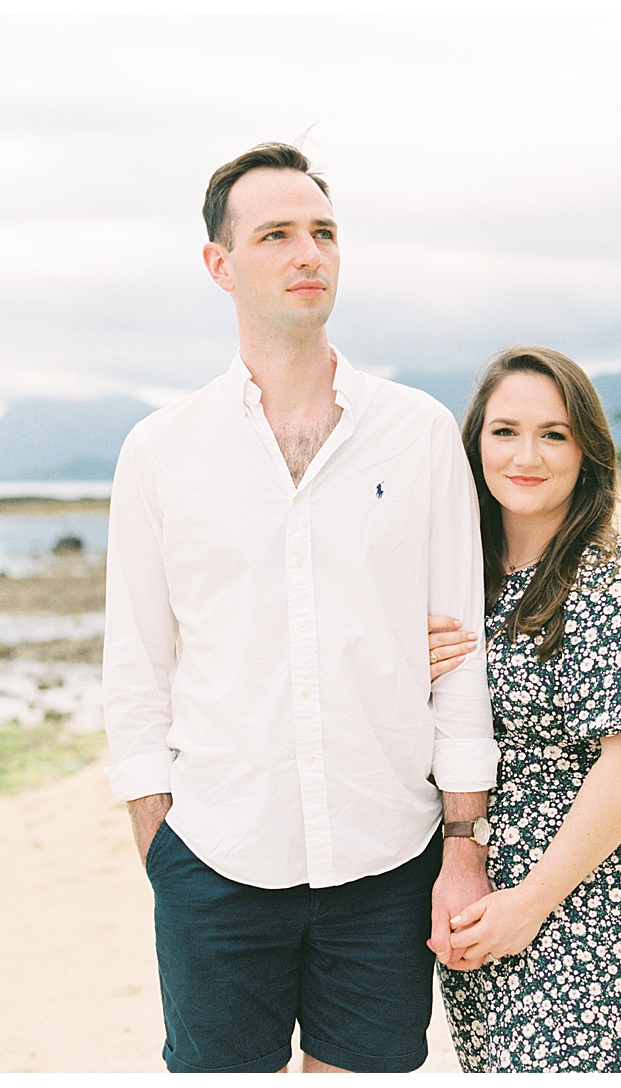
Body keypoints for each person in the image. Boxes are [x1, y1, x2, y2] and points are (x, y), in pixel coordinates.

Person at [101, 142, 499, 1075]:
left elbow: (463, 652)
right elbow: (137, 661)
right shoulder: (162, 451)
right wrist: (159, 839)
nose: (307, 253)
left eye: (322, 232)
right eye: (276, 234)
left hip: (387, 850)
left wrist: (462, 839)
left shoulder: (419, 434)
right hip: (215, 849)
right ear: (221, 265)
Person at [424, 346, 621, 1072]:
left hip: (591, 901)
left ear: (587, 450)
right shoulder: (458, 583)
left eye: (553, 434)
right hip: (475, 900)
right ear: (475, 446)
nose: (528, 455)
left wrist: (533, 901)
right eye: (505, 431)